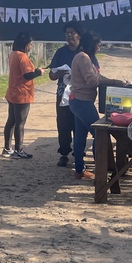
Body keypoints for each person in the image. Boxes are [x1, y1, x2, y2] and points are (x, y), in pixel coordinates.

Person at [68, 31, 126, 180]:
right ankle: (101, 169)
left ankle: (80, 169)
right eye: (98, 46)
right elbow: (93, 81)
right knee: (100, 134)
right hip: (81, 102)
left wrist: (114, 81)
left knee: (80, 136)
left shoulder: (86, 58)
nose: (99, 48)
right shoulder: (83, 58)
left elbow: (97, 77)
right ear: (91, 45)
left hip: (79, 100)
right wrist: (113, 82)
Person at [48, 24, 96, 167]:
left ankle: (78, 152)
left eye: (72, 33)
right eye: (67, 33)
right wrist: (60, 73)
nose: (69, 36)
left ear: (79, 35)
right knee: (63, 123)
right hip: (63, 92)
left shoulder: (85, 52)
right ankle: (64, 153)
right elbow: (51, 75)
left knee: (80, 123)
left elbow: (95, 72)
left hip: (81, 93)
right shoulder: (60, 52)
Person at [3, 32, 45, 159]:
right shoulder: (23, 57)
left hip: (12, 91)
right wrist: (38, 72)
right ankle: (19, 150)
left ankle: (7, 147)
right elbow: (27, 75)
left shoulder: (13, 54)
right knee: (20, 123)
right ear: (24, 44)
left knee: (11, 120)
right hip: (22, 93)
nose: (31, 47)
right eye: (30, 44)